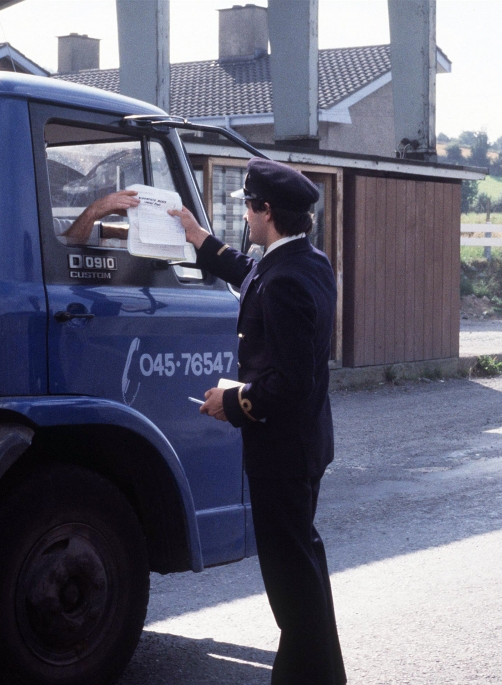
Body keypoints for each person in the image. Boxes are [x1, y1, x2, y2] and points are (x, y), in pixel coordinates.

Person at [169, 158, 346, 685]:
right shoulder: (302, 262)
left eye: (247, 206)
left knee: (292, 584)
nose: (244, 216)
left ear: (266, 211)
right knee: (302, 569)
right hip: (301, 446)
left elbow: (290, 382)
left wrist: (235, 401)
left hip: (283, 451)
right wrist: (199, 238)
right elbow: (249, 273)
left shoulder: (287, 280)